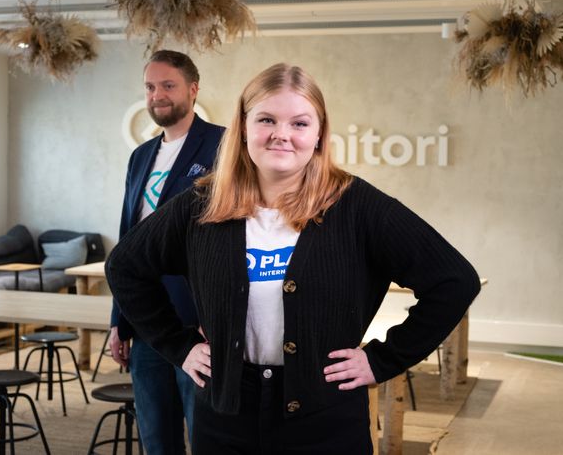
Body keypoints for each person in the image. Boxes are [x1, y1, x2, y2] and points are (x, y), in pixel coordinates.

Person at [106, 63, 480, 454]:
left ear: (318, 134)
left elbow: (454, 281)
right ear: (244, 126)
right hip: (225, 420)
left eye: (300, 123)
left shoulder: (356, 205)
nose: (281, 135)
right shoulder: (203, 204)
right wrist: (178, 346)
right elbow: (125, 267)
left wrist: (382, 360)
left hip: (325, 419)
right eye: (266, 119)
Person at [108, 50, 224, 455]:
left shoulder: (225, 146)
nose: (157, 95)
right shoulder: (140, 157)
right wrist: (118, 321)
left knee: (207, 435)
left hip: (199, 325)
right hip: (147, 325)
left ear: (193, 89)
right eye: (150, 86)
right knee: (157, 439)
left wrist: (222, 314)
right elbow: (128, 244)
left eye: (168, 85)